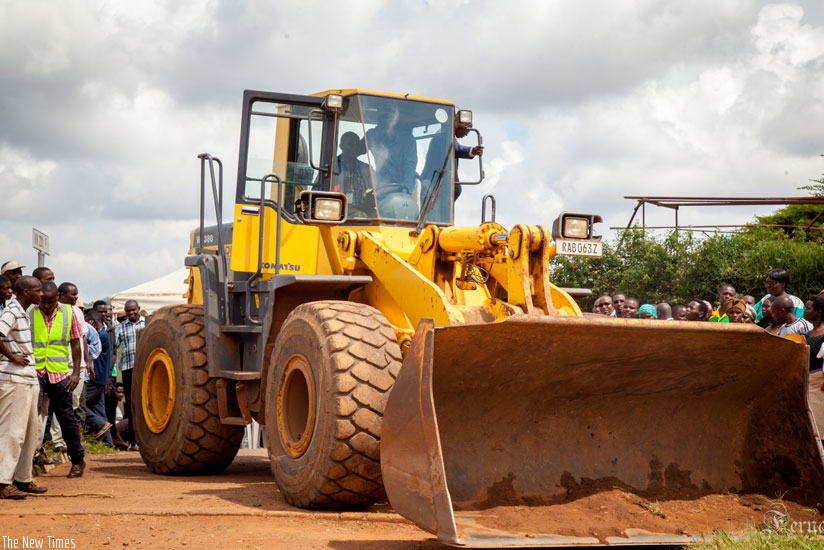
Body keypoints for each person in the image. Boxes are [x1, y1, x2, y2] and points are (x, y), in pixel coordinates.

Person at [31, 282, 86, 478]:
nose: (46, 306)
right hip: (35, 371)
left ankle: (78, 460)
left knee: (66, 417)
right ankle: (29, 460)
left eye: (50, 302)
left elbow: (76, 344)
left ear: (58, 298)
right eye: (43, 302)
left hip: (60, 373)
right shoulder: (31, 311)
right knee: (31, 417)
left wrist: (76, 373)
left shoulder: (69, 312)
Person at [0, 276, 46, 499]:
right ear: (26, 291)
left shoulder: (23, 312)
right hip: (14, 378)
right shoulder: (11, 311)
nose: (42, 294)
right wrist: (12, 356)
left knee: (30, 431)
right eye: (38, 290)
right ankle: (2, 481)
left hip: (28, 377)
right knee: (12, 432)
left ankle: (23, 478)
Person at [362, 108, 417, 192]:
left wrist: (406, 190)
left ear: (394, 126)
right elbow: (354, 150)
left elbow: (409, 166)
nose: (384, 130)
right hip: (382, 186)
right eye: (382, 126)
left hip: (403, 186)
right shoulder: (372, 136)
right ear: (378, 127)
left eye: (387, 126)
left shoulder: (407, 140)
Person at [115, 299, 145, 451]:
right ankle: (134, 441)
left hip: (145, 367)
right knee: (132, 404)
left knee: (145, 402)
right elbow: (115, 346)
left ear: (139, 309)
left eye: (133, 310)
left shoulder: (147, 323)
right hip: (128, 369)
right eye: (128, 311)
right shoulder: (121, 327)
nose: (131, 313)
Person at [84, 310, 113, 447]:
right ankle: (109, 443)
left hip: (95, 378)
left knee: (78, 405)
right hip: (100, 379)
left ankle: (100, 424)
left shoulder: (101, 336)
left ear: (91, 322)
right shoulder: (104, 335)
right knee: (99, 410)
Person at [332, 131, 374, 214]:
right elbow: (317, 189)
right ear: (341, 146)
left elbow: (377, 190)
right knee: (359, 215)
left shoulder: (367, 169)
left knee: (383, 219)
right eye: (350, 145)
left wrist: (373, 193)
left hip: (365, 210)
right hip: (339, 211)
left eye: (357, 145)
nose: (354, 148)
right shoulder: (331, 167)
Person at [453, 120, 484, 199]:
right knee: (455, 189)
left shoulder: (447, 135)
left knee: (456, 189)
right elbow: (456, 149)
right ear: (460, 127)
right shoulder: (446, 135)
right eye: (467, 130)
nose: (466, 134)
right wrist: (472, 151)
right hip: (436, 177)